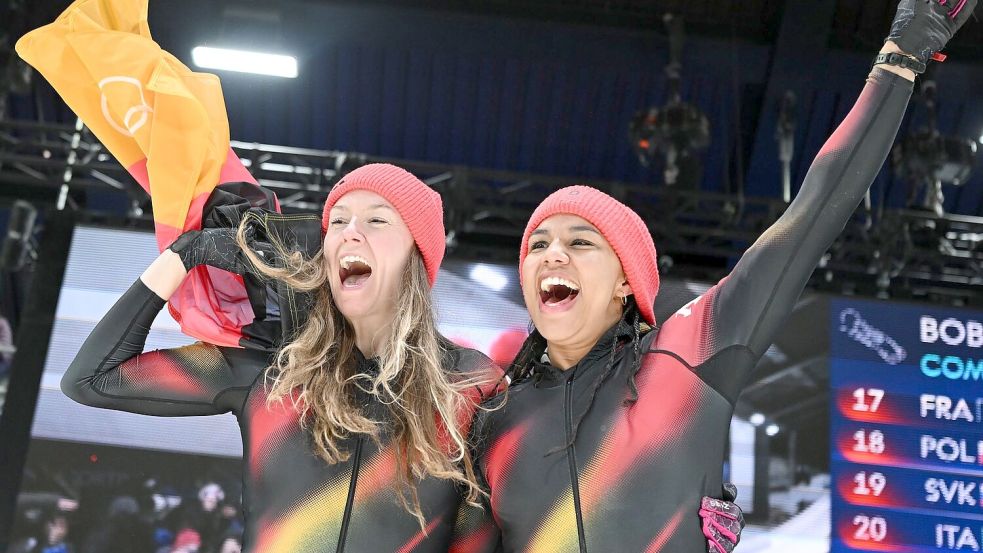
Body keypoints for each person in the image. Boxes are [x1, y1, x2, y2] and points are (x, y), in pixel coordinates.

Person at [455, 1, 977, 551]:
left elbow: (809, 219)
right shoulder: (493, 420)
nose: (551, 255)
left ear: (626, 281)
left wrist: (903, 55)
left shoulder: (685, 353)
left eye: (580, 242)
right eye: (537, 245)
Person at [61, 164, 502, 552]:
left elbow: (477, 533)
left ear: (418, 253)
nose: (350, 231)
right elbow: (92, 379)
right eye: (339, 221)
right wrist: (185, 254)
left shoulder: (469, 382)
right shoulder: (275, 363)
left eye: (377, 220)